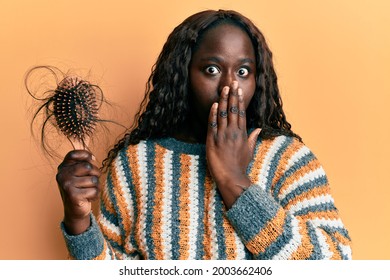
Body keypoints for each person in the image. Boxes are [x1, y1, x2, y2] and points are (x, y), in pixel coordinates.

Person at [56, 9, 352, 260]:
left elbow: (337, 263)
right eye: (211, 69)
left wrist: (234, 182)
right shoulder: (135, 166)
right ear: (183, 75)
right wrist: (79, 220)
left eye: (243, 72)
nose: (229, 87)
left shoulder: (287, 160)